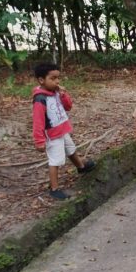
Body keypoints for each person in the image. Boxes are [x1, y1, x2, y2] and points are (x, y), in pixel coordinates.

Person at [31, 63, 95, 200]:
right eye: (53, 78)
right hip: (52, 136)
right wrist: (39, 141)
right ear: (42, 80)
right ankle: (54, 189)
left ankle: (81, 166)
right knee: (56, 161)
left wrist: (63, 94)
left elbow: (68, 107)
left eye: (58, 78)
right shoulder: (40, 99)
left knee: (71, 149)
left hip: (62, 130)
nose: (57, 81)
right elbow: (38, 121)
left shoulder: (55, 92)